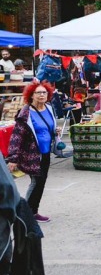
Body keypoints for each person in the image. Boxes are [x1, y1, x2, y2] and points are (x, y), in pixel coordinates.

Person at [6, 81, 58, 223]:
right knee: (36, 182)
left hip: (45, 153)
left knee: (41, 183)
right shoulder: (26, 112)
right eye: (38, 92)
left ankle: (33, 211)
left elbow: (48, 127)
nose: (42, 95)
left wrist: (55, 131)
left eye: (44, 92)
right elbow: (17, 136)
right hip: (31, 154)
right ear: (31, 95)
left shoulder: (48, 108)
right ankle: (25, 214)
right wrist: (13, 158)